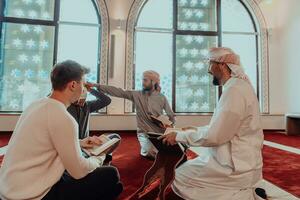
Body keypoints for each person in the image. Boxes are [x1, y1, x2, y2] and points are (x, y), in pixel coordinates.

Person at [0, 60, 123, 200]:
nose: (83, 90)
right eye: (83, 84)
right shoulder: (63, 117)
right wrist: (99, 157)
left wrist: (81, 142)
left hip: (9, 188)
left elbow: (46, 139)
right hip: (32, 195)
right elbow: (79, 171)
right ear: (73, 85)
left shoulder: (35, 105)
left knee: (113, 185)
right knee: (111, 175)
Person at [160, 47, 266, 200]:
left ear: (222, 65)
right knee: (189, 171)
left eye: (210, 64)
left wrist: (179, 136)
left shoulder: (234, 90)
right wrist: (195, 129)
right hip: (243, 162)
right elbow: (226, 128)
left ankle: (244, 194)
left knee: (180, 175)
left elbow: (216, 136)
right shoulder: (239, 86)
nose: (208, 70)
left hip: (234, 168)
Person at [90, 70, 175, 159]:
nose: (142, 82)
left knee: (178, 147)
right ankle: (147, 148)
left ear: (153, 82)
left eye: (145, 80)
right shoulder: (136, 94)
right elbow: (117, 91)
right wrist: (96, 85)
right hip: (145, 133)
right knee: (152, 153)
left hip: (160, 132)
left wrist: (170, 125)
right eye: (142, 79)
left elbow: (171, 115)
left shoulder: (162, 97)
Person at [67, 84, 121, 165]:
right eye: (79, 100)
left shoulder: (88, 106)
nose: (82, 102)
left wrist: (91, 90)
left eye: (84, 99)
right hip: (74, 146)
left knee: (115, 137)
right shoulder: (65, 108)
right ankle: (96, 159)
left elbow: (107, 100)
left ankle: (99, 158)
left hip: (89, 144)